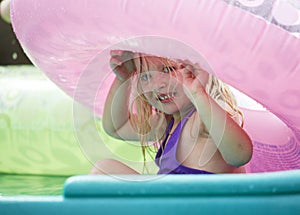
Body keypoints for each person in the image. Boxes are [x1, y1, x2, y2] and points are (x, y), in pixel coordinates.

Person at [90, 50, 253, 174]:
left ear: (197, 69)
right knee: (105, 169)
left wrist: (198, 94)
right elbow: (116, 128)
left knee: (104, 170)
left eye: (168, 69)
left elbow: (240, 155)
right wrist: (123, 78)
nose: (157, 85)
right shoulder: (166, 123)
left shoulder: (205, 116)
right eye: (145, 77)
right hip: (172, 205)